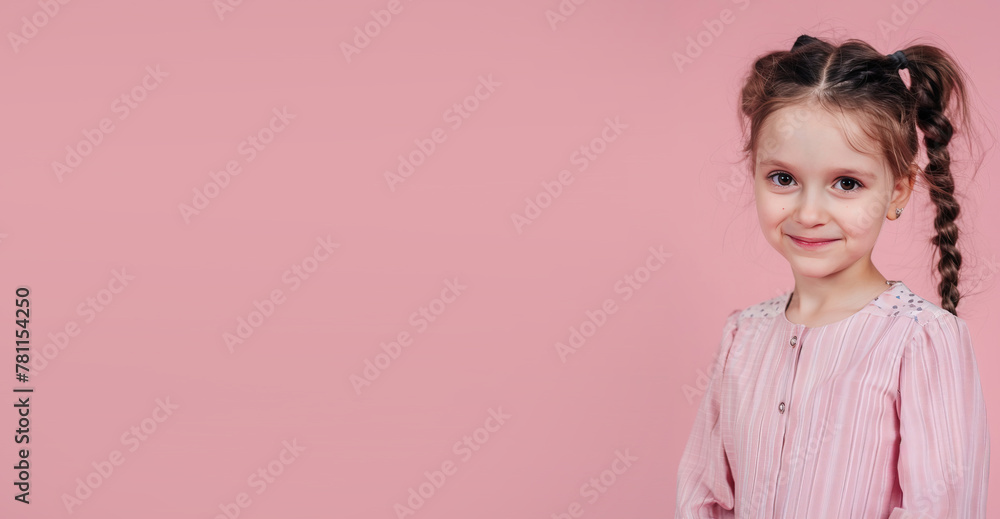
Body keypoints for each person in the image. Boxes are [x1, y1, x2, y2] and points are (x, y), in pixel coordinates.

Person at [674, 34, 990, 518]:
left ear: (898, 191)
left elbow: (941, 507)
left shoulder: (919, 340)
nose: (809, 213)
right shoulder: (742, 336)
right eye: (783, 179)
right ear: (754, 173)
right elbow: (702, 494)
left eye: (846, 183)